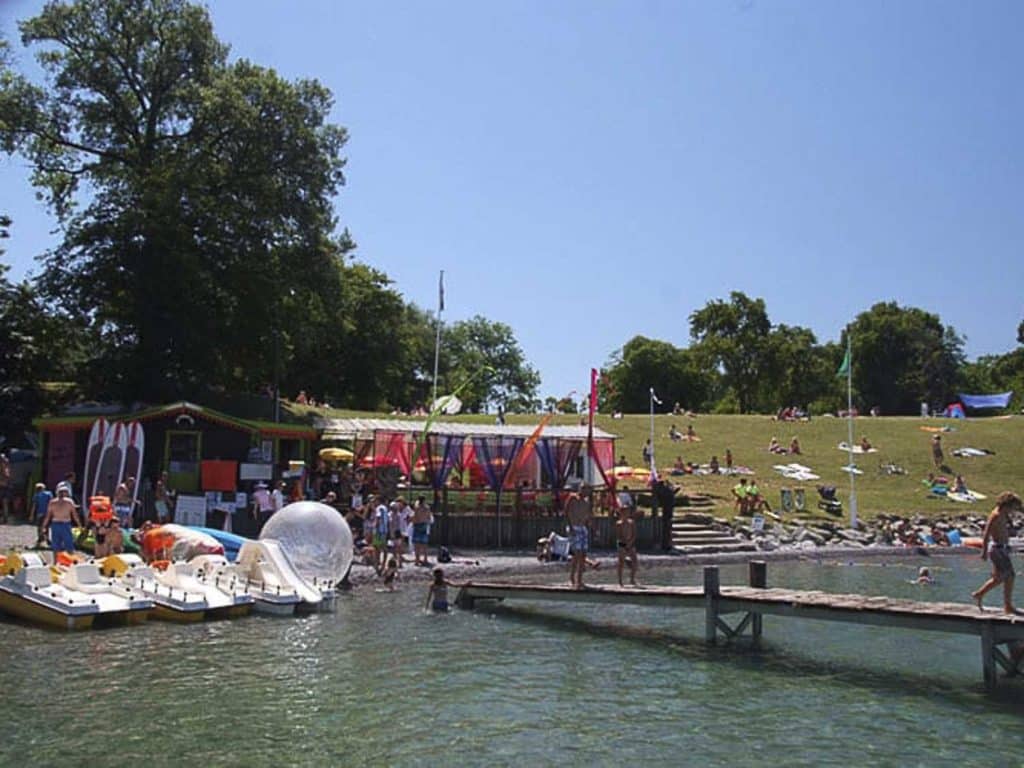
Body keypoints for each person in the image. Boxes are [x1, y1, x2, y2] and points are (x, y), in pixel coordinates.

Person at [971, 492, 1023, 614]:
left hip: (1002, 548)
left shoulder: (1004, 514)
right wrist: (983, 551)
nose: (1013, 510)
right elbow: (986, 534)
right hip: (997, 549)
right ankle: (1007, 605)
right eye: (1012, 507)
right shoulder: (996, 515)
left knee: (999, 578)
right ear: (1006, 505)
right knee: (1010, 576)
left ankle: (979, 594)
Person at [42, 482, 82, 558]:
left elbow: (48, 516)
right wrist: (79, 525)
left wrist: (44, 526)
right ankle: (70, 562)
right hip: (65, 524)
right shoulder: (69, 502)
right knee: (68, 546)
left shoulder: (52, 502)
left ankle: (56, 563)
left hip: (56, 524)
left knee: (56, 546)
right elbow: (75, 515)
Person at [566, 486, 592, 589]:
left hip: (582, 528)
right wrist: (571, 526)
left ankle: (580, 580)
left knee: (583, 554)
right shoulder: (572, 498)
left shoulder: (586, 503)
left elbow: (587, 518)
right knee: (576, 554)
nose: (586, 493)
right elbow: (566, 512)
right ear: (581, 489)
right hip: (574, 527)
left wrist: (593, 529)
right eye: (585, 490)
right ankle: (572, 578)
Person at [615, 504, 639, 587]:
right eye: (624, 512)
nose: (626, 514)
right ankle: (620, 581)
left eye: (627, 512)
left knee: (635, 561)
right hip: (621, 543)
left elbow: (634, 534)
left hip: (630, 542)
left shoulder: (631, 522)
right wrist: (625, 544)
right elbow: (618, 536)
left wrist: (630, 542)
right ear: (621, 513)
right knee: (621, 562)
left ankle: (632, 579)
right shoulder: (619, 523)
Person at [654, 479, 676, 551]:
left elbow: (660, 496)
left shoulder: (665, 491)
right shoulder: (668, 491)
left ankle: (666, 545)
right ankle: (667, 544)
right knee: (668, 528)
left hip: (667, 511)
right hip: (669, 511)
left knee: (666, 528)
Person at [411, 496, 433, 566]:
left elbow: (415, 517)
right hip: (424, 525)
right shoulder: (427, 508)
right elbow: (429, 517)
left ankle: (417, 560)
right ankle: (425, 559)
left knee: (417, 544)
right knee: (424, 544)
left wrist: (413, 523)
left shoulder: (417, 508)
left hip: (417, 525)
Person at [0, 453, 11, 523]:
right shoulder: (6, 469)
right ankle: (5, 518)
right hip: (4, 487)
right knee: (5, 503)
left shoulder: (6, 469)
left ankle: (5, 518)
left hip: (4, 488)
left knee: (5, 503)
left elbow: (7, 478)